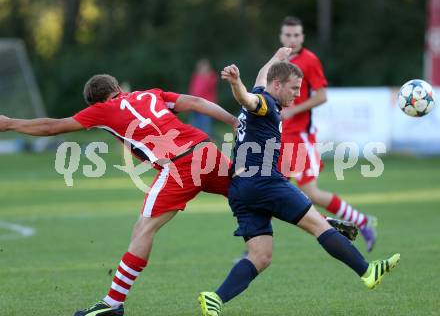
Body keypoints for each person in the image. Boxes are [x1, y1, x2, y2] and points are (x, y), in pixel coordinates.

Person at [0, 74, 237, 316]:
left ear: (95, 103)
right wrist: (233, 121)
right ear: (115, 87)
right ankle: (260, 245)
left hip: (179, 165)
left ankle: (112, 304)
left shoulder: (102, 110)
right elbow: (196, 102)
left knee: (143, 230)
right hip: (207, 150)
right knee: (253, 195)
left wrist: (9, 123)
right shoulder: (150, 94)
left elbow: (52, 127)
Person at [198, 50, 400, 316]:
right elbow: (247, 98)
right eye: (294, 88)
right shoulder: (266, 105)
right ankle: (367, 271)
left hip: (240, 189)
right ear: (278, 85)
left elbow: (261, 76)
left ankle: (215, 298)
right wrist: (236, 83)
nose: (297, 94)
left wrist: (277, 55)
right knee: (318, 225)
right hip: (264, 182)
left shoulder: (266, 94)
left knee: (260, 256)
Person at [277, 16, 377, 251]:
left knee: (309, 191)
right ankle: (252, 250)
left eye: (296, 35)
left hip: (300, 136)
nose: (292, 39)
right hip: (280, 137)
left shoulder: (310, 61)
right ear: (281, 36)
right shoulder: (277, 60)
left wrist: (294, 111)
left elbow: (322, 96)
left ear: (302, 37)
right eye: (288, 35)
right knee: (271, 191)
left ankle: (361, 222)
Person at [189, 58, 219, 137]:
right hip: (195, 104)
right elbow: (193, 89)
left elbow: (205, 89)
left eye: (203, 67)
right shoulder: (197, 76)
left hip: (207, 105)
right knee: (194, 126)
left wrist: (205, 77)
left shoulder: (211, 77)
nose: (202, 69)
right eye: (200, 67)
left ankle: (211, 143)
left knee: (206, 128)